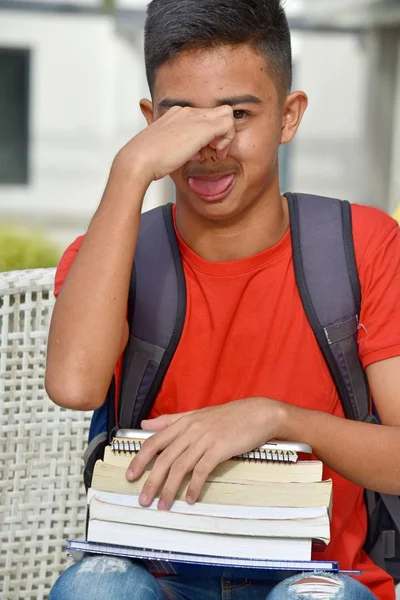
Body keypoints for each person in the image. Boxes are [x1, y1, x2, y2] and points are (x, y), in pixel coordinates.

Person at [46, 0, 400, 598]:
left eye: (237, 114)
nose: (210, 143)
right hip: (153, 573)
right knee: (96, 587)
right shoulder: (113, 252)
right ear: (150, 121)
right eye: (182, 116)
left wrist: (276, 419)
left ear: (289, 117)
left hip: (313, 574)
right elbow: (74, 386)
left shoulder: (364, 245)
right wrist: (130, 170)